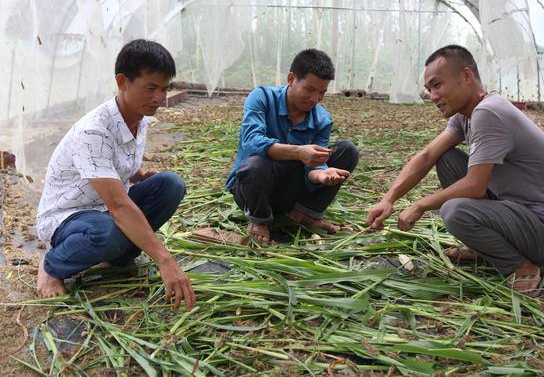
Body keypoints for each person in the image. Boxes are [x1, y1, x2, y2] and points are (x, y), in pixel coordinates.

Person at [366, 45, 544, 295]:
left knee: (454, 210)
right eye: (429, 89)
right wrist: (388, 200)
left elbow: (474, 187)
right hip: (517, 213)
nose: (432, 96)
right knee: (446, 159)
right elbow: (427, 155)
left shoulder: (489, 112)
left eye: (437, 85)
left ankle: (522, 267)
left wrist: (419, 205)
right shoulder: (466, 114)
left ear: (466, 76)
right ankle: (484, 246)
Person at [36, 39, 195, 310]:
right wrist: (166, 261)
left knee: (170, 184)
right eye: (151, 88)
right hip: (69, 214)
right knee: (107, 234)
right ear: (123, 82)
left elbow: (119, 167)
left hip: (104, 209)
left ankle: (121, 255)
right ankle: (52, 265)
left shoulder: (138, 118)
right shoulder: (94, 131)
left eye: (164, 88)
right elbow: (119, 206)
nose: (159, 98)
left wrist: (139, 175)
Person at [226, 49, 359, 245]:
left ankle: (303, 212)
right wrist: (298, 152)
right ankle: (260, 219)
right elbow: (251, 141)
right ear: (291, 79)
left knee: (348, 151)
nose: (315, 99)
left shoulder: (322, 119)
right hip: (255, 189)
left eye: (321, 92)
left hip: (291, 190)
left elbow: (314, 167)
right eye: (309, 89)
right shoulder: (262, 97)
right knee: (255, 164)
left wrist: (322, 175)